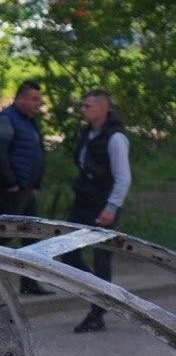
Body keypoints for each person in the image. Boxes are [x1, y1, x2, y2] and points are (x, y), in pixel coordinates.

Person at [66, 89, 131, 333]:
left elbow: (123, 178)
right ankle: (98, 290)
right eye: (82, 106)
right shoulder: (87, 134)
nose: (83, 110)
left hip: (103, 206)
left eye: (88, 106)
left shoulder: (115, 139)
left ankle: (97, 313)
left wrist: (111, 208)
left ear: (103, 109)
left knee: (102, 258)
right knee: (68, 253)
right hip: (83, 202)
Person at [0, 80, 52, 295]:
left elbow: (36, 153)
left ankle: (29, 282)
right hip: (12, 188)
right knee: (7, 231)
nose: (38, 104)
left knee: (30, 234)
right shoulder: (7, 119)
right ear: (21, 98)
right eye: (34, 99)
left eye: (39, 100)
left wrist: (35, 183)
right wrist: (11, 182)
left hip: (26, 187)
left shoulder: (29, 121)